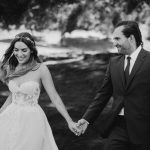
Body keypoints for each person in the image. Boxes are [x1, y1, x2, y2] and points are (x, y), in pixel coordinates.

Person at [0, 32, 80, 150]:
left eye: (24, 50)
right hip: (11, 116)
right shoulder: (12, 67)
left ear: (32, 50)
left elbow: (54, 97)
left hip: (31, 119)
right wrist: (1, 111)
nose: (19, 54)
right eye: (16, 50)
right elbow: (13, 95)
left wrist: (69, 121)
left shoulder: (41, 69)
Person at [77, 21, 150, 150]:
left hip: (144, 129)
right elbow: (103, 94)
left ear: (131, 38)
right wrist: (87, 118)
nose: (114, 43)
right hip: (118, 127)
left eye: (117, 38)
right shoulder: (114, 63)